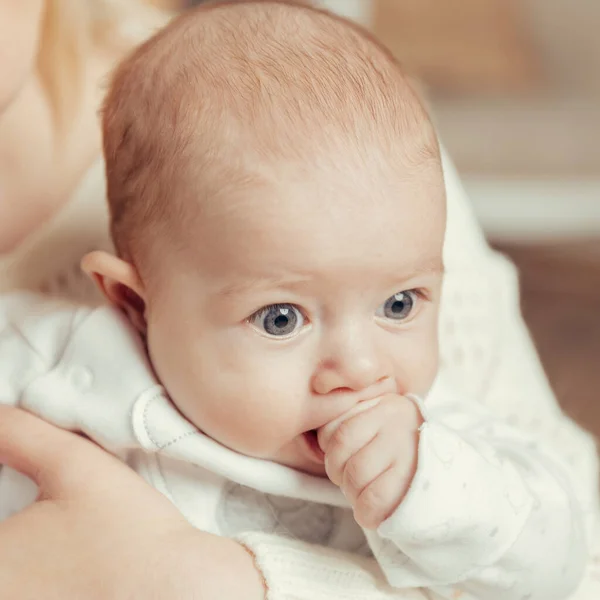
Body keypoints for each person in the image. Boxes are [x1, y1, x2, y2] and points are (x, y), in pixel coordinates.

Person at [1, 2, 600, 600]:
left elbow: (567, 568)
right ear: (136, 304)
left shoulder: (443, 443)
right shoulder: (56, 361)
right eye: (281, 319)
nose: (363, 369)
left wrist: (436, 497)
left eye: (399, 305)